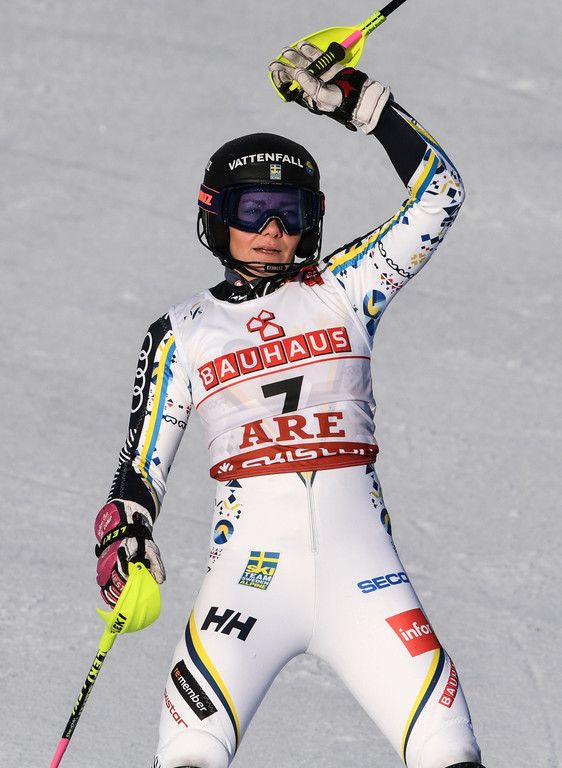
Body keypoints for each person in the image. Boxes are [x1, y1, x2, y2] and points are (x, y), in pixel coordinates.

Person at [94, 42, 485, 768]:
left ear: (314, 220)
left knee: (451, 754)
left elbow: (440, 197)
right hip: (247, 589)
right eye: (254, 210)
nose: (273, 231)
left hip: (366, 582)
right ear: (217, 216)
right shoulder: (182, 331)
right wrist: (125, 533)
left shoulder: (346, 287)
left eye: (290, 211)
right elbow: (139, 472)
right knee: (188, 758)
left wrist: (361, 105)